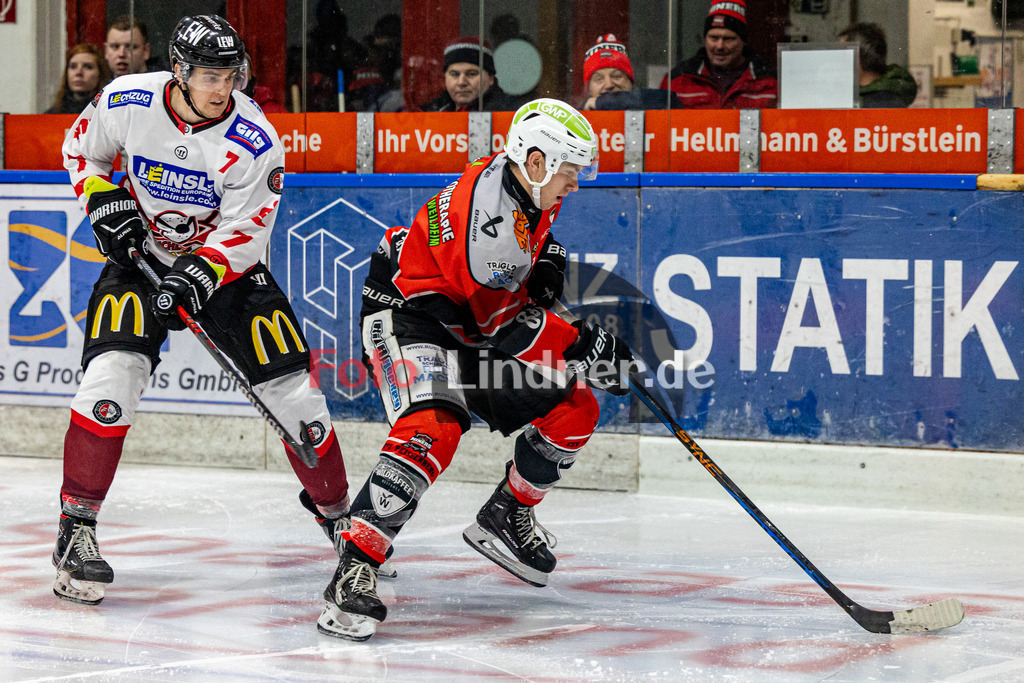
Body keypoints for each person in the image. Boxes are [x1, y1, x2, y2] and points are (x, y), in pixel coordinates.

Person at [53, 15, 356, 612]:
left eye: (230, 74)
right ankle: (76, 529)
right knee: (109, 380)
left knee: (297, 399)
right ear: (181, 72)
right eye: (210, 75)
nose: (223, 87)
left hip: (229, 274)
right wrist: (102, 199)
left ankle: (343, 521)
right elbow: (79, 152)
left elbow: (247, 230)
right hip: (142, 260)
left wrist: (202, 272)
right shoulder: (127, 100)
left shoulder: (255, 137)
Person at [317, 98, 634, 641]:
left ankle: (505, 515)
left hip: (466, 317)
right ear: (536, 162)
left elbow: (534, 240)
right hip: (407, 314)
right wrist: (582, 343)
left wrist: (550, 262)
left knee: (574, 407)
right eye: (569, 172)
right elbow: (506, 328)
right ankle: (355, 566)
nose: (575, 184)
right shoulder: (490, 229)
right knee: (433, 426)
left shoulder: (523, 176)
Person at [661, 0, 777, 109]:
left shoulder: (770, 82)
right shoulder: (678, 79)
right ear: (705, 39)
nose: (719, 46)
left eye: (728, 39)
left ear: (743, 41)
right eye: (714, 38)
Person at [579, 34, 683, 111]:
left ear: (630, 81)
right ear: (589, 89)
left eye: (616, 76)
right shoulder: (576, 118)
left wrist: (601, 102)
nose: (609, 84)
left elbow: (669, 100)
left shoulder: (651, 101)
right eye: (599, 79)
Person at [418, 36, 516, 112]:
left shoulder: (511, 113)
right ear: (445, 78)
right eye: (455, 74)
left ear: (490, 78)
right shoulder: (427, 114)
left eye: (471, 74)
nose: (461, 82)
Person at [838, 23, 918, 108]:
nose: (838, 62)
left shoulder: (879, 104)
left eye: (843, 55)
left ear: (856, 59)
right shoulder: (890, 99)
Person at [45, 44, 112, 115]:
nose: (78, 72)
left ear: (101, 73)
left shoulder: (108, 113)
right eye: (73, 66)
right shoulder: (51, 115)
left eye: (88, 67)